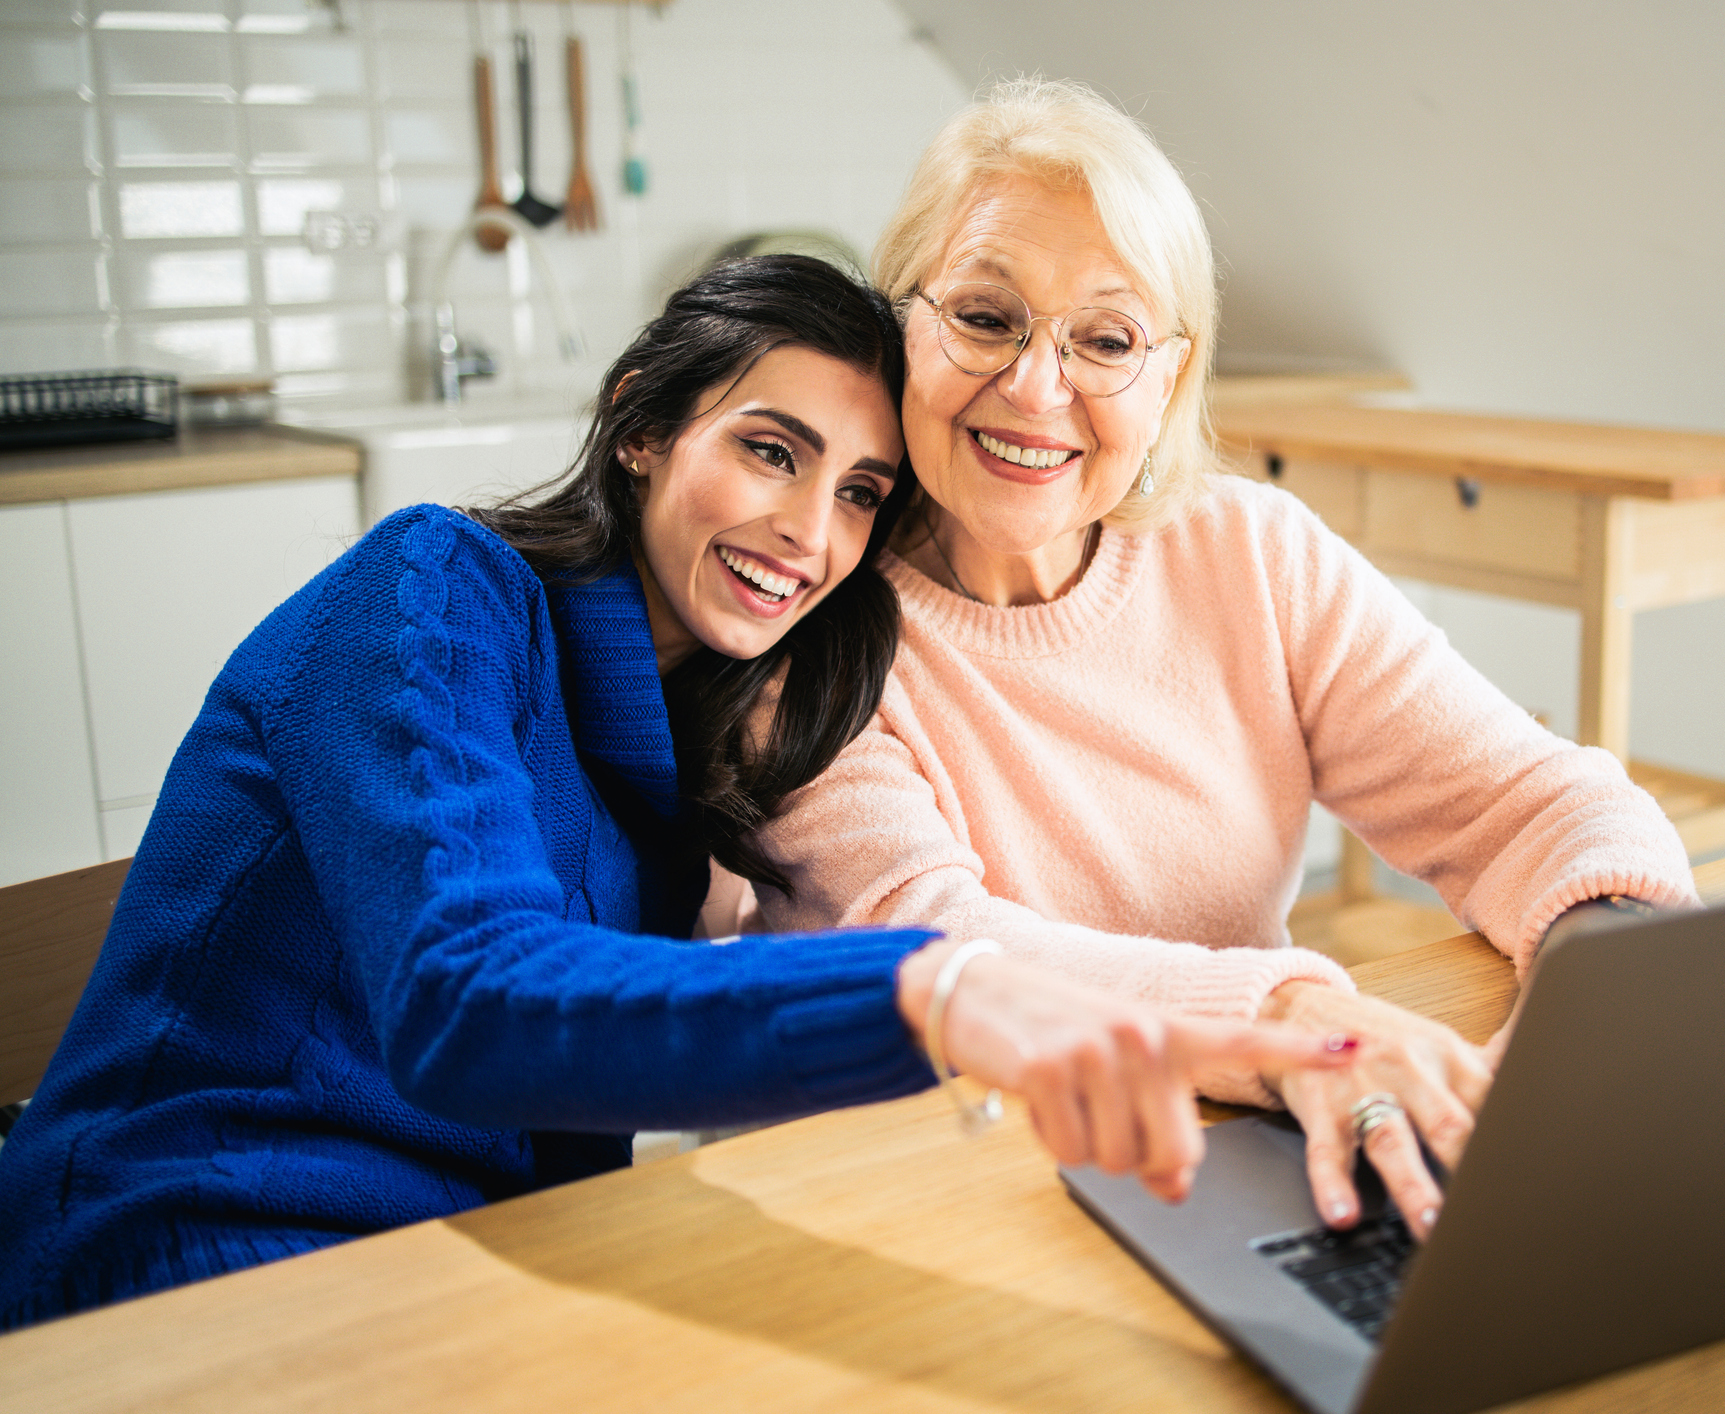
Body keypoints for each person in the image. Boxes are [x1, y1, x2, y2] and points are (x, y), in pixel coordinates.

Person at [0, 256, 1352, 1332]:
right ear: (645, 422)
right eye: (773, 450)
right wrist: (935, 988)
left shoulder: (691, 751)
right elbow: (468, 997)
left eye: (861, 492)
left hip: (464, 1275)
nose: (807, 534)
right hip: (178, 1264)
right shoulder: (431, 589)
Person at [748, 83, 1703, 1240]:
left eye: (1106, 340)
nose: (1036, 388)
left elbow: (1536, 801)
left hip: (1244, 1154)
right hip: (940, 1192)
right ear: (894, 323)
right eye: (984, 318)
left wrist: (1589, 995)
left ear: (1170, 376)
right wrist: (1305, 1020)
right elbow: (946, 950)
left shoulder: (1249, 551)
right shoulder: (801, 619)